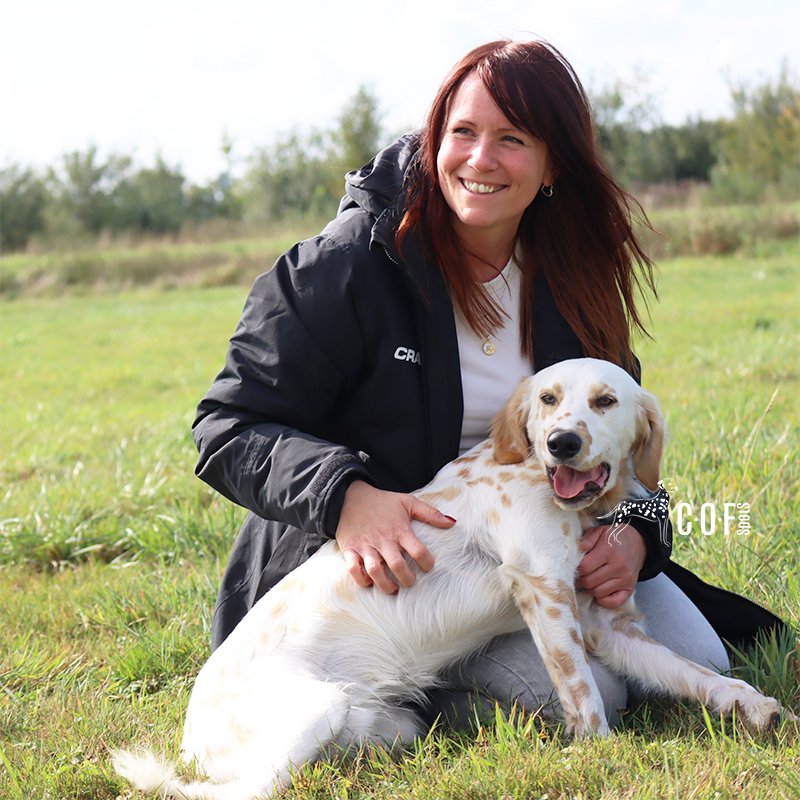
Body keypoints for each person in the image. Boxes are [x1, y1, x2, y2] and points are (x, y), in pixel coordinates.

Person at [193, 39, 784, 728]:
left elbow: (625, 449)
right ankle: (396, 697)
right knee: (601, 694)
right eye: (463, 132)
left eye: (512, 139)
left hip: (549, 540)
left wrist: (633, 537)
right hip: (397, 585)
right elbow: (227, 425)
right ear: (434, 138)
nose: (480, 159)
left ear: (552, 162)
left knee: (705, 654)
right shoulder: (346, 266)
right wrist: (345, 496)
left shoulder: (575, 276)